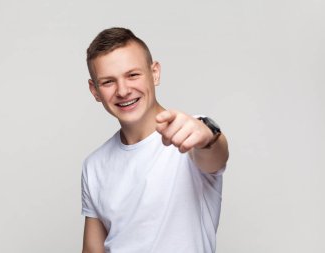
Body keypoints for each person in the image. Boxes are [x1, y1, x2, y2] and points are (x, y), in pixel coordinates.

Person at [81, 27, 229, 253]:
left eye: (133, 75)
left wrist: (208, 136)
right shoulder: (94, 165)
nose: (123, 90)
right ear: (95, 91)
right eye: (109, 81)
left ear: (155, 73)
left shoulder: (189, 135)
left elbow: (215, 153)